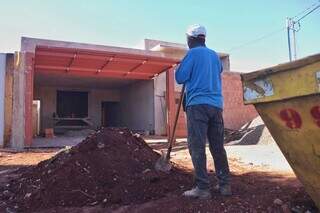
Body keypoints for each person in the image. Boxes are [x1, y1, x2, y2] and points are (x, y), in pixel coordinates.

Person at [175, 24, 231, 199]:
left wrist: (183, 67)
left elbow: (179, 77)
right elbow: (219, 70)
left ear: (191, 39)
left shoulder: (191, 54)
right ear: (203, 38)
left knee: (197, 146)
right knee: (218, 147)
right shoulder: (214, 56)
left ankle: (203, 188)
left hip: (197, 105)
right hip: (216, 106)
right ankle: (225, 186)